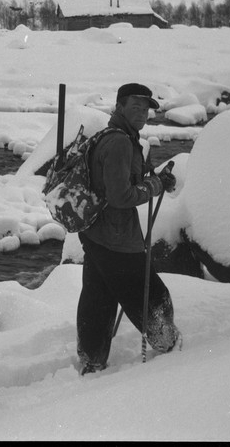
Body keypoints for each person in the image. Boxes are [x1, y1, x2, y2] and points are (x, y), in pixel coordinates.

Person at [76, 83, 180, 375]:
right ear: (119, 106)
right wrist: (155, 185)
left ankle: (92, 360)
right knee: (153, 298)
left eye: (146, 108)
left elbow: (117, 183)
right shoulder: (120, 142)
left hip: (96, 234)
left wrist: (153, 179)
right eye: (135, 106)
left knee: (98, 298)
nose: (142, 113)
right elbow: (120, 197)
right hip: (118, 239)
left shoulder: (113, 136)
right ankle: (169, 346)